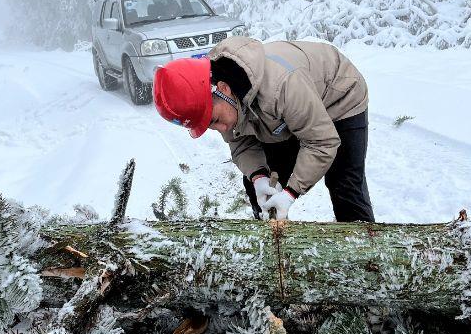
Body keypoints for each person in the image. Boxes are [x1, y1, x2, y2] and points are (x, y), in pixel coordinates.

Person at [152, 36, 374, 222]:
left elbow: (322, 142)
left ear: (224, 89)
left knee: (344, 185)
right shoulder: (214, 95)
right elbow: (240, 142)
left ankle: (367, 257)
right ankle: (270, 246)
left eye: (216, 119)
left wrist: (291, 192)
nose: (221, 128)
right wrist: (258, 177)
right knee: (264, 181)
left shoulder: (282, 87)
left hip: (340, 97)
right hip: (283, 113)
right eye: (210, 125)